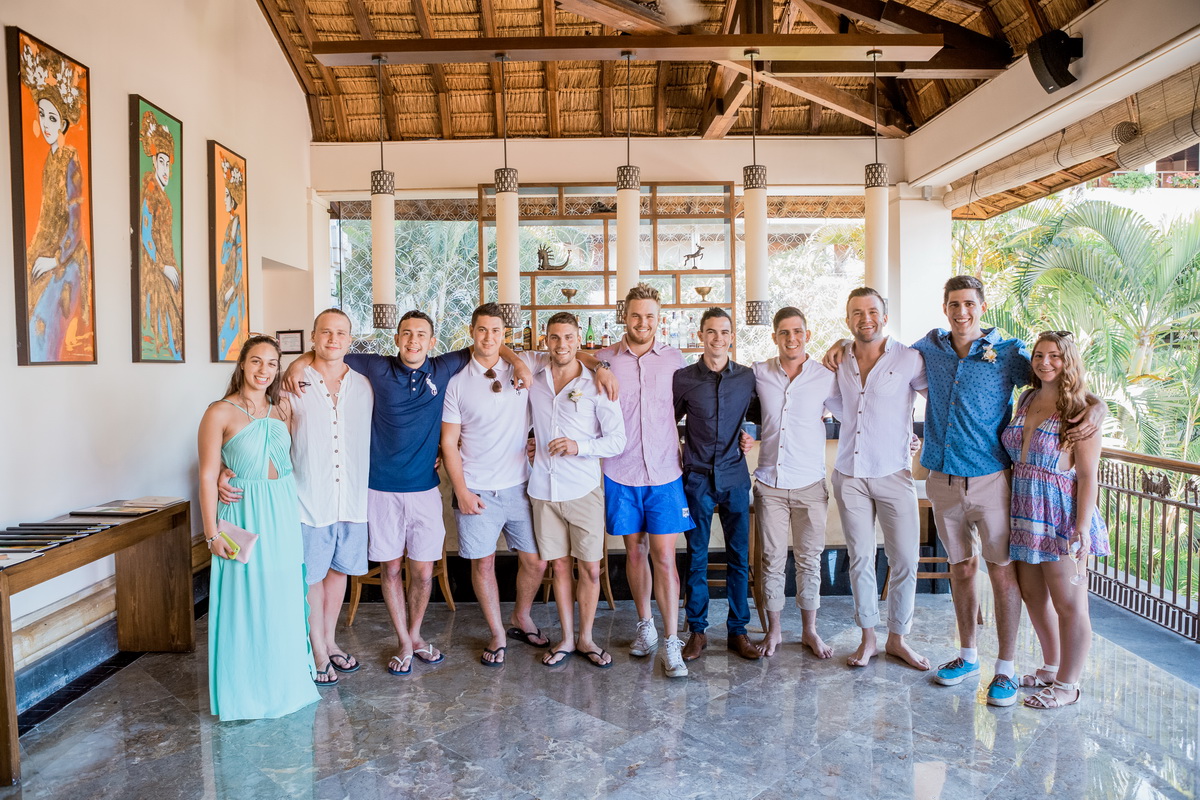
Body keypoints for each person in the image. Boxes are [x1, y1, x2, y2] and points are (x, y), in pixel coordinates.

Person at [824, 276, 1103, 705]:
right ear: (945, 308)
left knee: (1002, 573)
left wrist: (1096, 406)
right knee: (961, 569)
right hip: (943, 481)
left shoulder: (1009, 353)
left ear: (982, 306)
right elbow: (878, 347)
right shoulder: (928, 348)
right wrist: (843, 342)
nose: (962, 312)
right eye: (954, 304)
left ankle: (1005, 669)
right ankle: (968, 655)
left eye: (969, 304)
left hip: (992, 480)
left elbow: (1058, 374)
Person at [283, 310, 532, 677]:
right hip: (379, 490)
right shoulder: (376, 367)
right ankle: (403, 641)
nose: (413, 340)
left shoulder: (444, 367)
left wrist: (519, 363)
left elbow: (487, 344)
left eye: (421, 335)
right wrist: (295, 364)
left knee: (423, 572)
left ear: (432, 342)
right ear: (397, 338)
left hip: (425, 490)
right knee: (391, 569)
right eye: (406, 334)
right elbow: (330, 352)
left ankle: (415, 636)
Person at [198, 335, 320, 721]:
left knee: (283, 597)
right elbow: (206, 476)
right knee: (245, 601)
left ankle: (286, 685)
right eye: (256, 361)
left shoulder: (282, 407)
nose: (263, 370)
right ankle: (246, 694)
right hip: (243, 513)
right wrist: (211, 534)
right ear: (242, 364)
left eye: (271, 363)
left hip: (281, 510)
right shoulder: (219, 412)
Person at [827, 288, 931, 671]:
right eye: (856, 312)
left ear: (885, 317)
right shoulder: (838, 359)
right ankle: (868, 637)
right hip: (850, 475)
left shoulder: (910, 359)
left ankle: (898, 638)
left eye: (872, 311)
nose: (865, 318)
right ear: (847, 319)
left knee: (905, 559)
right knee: (860, 558)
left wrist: (914, 437)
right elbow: (839, 405)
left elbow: (938, 401)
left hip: (893, 472)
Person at [1004, 331, 1109, 709]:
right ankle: (1051, 666)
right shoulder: (1027, 398)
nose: (1044, 362)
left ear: (1068, 361)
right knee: (1033, 595)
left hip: (1060, 514)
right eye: (1038, 355)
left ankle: (1068, 685)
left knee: (1070, 603)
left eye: (1054, 356)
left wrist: (1081, 527)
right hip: (1024, 511)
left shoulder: (1079, 409)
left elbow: (1088, 476)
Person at [441, 303, 549, 666]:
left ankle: (521, 616)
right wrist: (461, 491)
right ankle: (497, 633)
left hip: (521, 486)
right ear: (471, 331)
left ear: (505, 335)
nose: (489, 337)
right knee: (483, 564)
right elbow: (448, 443)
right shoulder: (456, 381)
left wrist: (602, 367)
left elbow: (569, 352)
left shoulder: (525, 365)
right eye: (482, 330)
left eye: (496, 331)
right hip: (477, 489)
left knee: (536, 561)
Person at [595, 284, 694, 678]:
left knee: (665, 557)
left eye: (649, 316)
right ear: (625, 316)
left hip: (665, 472)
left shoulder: (675, 359)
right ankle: (645, 626)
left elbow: (693, 406)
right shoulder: (604, 359)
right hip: (621, 471)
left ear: (659, 318)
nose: (642, 322)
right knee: (634, 552)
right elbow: (569, 362)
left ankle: (671, 641)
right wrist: (597, 365)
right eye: (635, 315)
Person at [529, 313, 626, 668]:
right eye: (555, 337)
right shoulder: (535, 375)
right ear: (545, 340)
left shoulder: (598, 383)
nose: (562, 344)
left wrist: (578, 446)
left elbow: (617, 440)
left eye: (568, 337)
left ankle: (586, 638)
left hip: (583, 489)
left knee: (590, 569)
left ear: (578, 339)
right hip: (543, 488)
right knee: (558, 568)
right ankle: (567, 639)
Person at [673, 307, 762, 662]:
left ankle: (738, 631)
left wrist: (749, 433)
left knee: (738, 557)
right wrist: (676, 449)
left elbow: (759, 416)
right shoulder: (683, 378)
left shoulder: (747, 377)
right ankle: (697, 631)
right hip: (696, 479)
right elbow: (666, 420)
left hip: (735, 477)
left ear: (732, 337)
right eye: (711, 331)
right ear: (700, 336)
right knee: (696, 556)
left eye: (724, 332)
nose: (718, 338)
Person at [748, 307, 836, 659]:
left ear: (807, 335)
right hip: (769, 483)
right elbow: (738, 409)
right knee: (771, 559)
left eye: (797, 331)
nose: (791, 338)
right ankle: (774, 631)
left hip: (810, 483)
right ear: (774, 337)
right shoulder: (758, 373)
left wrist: (904, 437)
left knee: (809, 560)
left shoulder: (825, 377)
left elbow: (858, 411)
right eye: (784, 332)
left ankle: (810, 631)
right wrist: (742, 433)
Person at [18, 43, 92, 362]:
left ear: (63, 122)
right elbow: (45, 220)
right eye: (42, 116)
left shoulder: (70, 158)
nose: (46, 124)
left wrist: (55, 259)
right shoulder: (49, 162)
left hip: (68, 256)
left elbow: (75, 224)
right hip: (50, 250)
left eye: (52, 117)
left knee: (42, 321)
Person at [137, 109, 181, 360]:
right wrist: (163, 266)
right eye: (160, 161)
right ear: (153, 162)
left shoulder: (165, 197)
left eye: (167, 163)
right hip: (155, 268)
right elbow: (145, 235)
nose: (164, 168)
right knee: (159, 317)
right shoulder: (150, 190)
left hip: (168, 263)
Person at [215, 157, 247, 361]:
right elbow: (223, 257)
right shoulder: (230, 225)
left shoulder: (238, 226)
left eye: (227, 195)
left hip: (233, 286)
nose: (225, 199)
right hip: (227, 283)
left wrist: (232, 288)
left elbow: (239, 262)